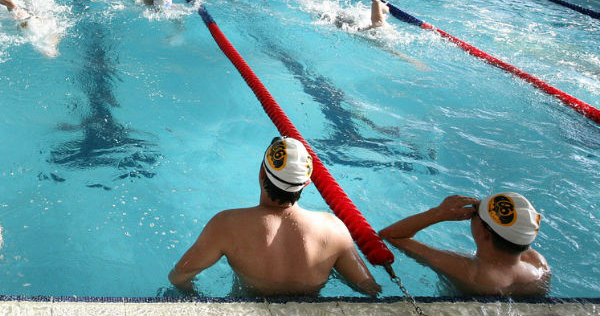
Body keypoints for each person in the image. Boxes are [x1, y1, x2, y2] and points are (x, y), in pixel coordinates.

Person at [168, 137, 381, 297]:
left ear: (262, 172)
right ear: (306, 183)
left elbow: (178, 277)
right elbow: (369, 289)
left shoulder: (227, 225)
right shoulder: (333, 229)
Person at [379, 193, 549, 297]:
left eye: (474, 213)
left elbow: (390, 235)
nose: (471, 214)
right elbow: (515, 231)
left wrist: (437, 213)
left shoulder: (467, 270)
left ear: (485, 234)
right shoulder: (538, 264)